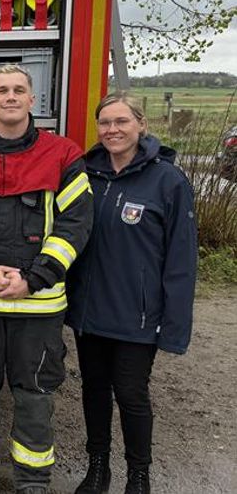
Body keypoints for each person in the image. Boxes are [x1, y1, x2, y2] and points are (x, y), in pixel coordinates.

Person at [0, 64, 94, 494]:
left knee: (35, 396)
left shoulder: (63, 156)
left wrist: (35, 278)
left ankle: (32, 481)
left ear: (33, 100)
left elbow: (75, 227)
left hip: (38, 305)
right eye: (2, 90)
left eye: (19, 90)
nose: (10, 97)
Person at [66, 92, 197, 494]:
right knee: (94, 390)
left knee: (132, 394)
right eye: (105, 123)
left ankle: (139, 475)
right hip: (90, 311)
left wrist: (174, 327)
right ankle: (98, 468)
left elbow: (181, 260)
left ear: (141, 124)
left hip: (138, 317)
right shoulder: (86, 173)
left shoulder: (167, 181)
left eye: (122, 121)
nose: (112, 130)